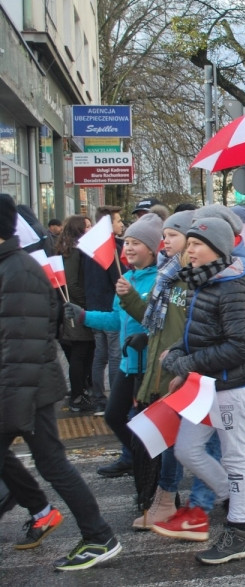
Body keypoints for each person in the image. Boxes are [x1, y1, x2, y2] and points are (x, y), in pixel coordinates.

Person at [0, 193, 122, 570]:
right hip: (25, 385)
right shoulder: (11, 267)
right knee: (49, 462)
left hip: (26, 387)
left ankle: (96, 534)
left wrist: (12, 402)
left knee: (53, 464)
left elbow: (21, 344)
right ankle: (48, 512)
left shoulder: (18, 270)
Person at [159, 217, 245, 564]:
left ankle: (238, 535)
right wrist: (178, 352)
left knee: (235, 458)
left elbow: (239, 347)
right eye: (188, 244)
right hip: (207, 383)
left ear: (217, 249)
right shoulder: (204, 280)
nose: (188, 251)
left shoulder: (233, 285)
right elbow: (197, 332)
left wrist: (186, 364)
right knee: (187, 449)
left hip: (232, 385)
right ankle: (238, 504)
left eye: (195, 244)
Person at [115, 210, 193, 531]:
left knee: (183, 443)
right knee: (175, 440)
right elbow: (159, 321)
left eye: (172, 235)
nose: (166, 241)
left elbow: (181, 327)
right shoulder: (170, 276)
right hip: (164, 368)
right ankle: (169, 500)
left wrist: (177, 362)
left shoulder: (185, 277)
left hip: (176, 371)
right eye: (165, 235)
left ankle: (172, 499)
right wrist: (129, 298)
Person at [65, 214, 161, 473]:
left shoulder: (159, 280)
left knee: (142, 421)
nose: (127, 247)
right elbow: (116, 321)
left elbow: (161, 323)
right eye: (126, 242)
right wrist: (84, 315)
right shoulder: (126, 278)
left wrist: (147, 337)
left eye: (135, 243)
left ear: (152, 249)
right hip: (128, 363)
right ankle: (136, 458)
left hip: (149, 365)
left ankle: (146, 464)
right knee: (113, 415)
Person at [86, 205, 125, 423]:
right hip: (110, 308)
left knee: (100, 355)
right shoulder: (111, 248)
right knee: (114, 355)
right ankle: (112, 401)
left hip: (93, 307)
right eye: (118, 220)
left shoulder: (89, 248)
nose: (122, 224)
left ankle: (99, 398)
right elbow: (118, 279)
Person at [57, 216, 97, 413]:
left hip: (75, 308)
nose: (91, 229)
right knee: (80, 352)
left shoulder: (72, 249)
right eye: (87, 226)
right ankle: (77, 396)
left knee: (84, 352)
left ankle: (80, 391)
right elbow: (72, 284)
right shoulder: (73, 251)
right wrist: (84, 305)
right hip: (76, 309)